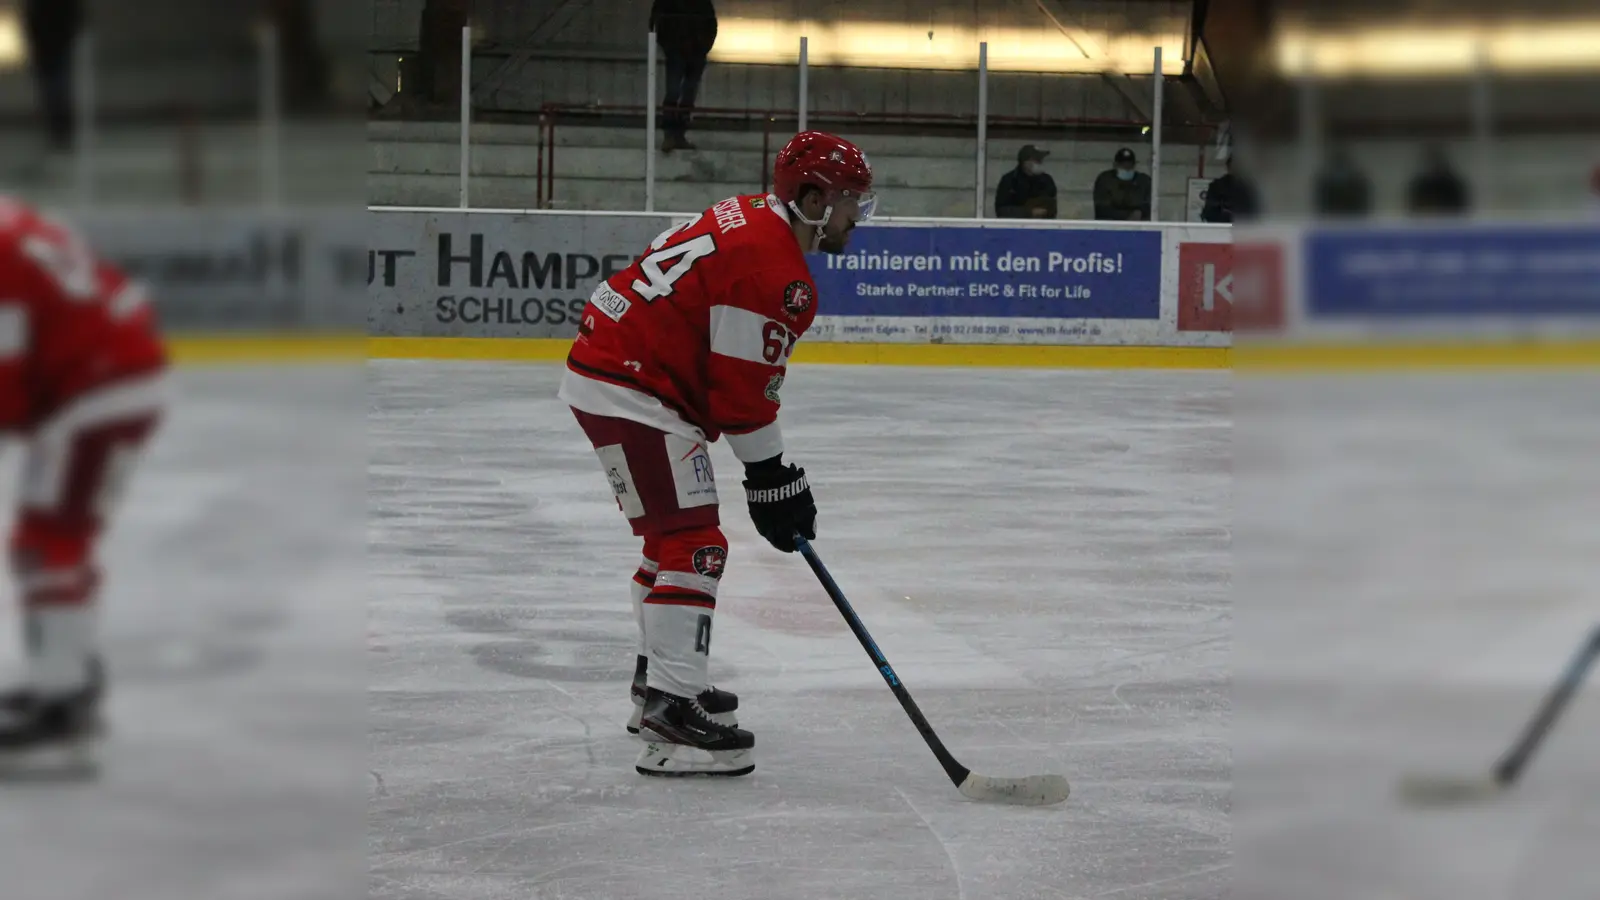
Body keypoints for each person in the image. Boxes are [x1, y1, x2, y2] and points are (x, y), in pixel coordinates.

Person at [559, 131, 875, 777]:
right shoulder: (776, 273)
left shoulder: (750, 215)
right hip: (633, 389)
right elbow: (739, 396)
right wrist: (772, 476)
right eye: (848, 201)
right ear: (812, 198)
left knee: (669, 540)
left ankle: (661, 688)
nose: (856, 217)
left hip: (619, 375)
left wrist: (770, 477)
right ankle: (671, 713)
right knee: (694, 545)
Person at [0, 198, 169, 777]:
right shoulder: (13, 222)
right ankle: (64, 672)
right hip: (108, 381)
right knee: (51, 535)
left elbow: (6, 378)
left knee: (47, 539)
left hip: (94, 394)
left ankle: (61, 699)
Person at [650, 0, 718, 152]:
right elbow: (655, 23)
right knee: (677, 93)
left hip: (690, 53)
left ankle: (675, 135)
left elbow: (655, 23)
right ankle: (673, 135)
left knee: (685, 94)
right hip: (683, 52)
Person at [23, 0, 84, 153]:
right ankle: (60, 132)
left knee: (54, 89)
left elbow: (32, 19)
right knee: (56, 88)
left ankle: (59, 131)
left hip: (50, 44)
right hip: (54, 43)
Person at [994, 145, 1057, 219]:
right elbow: (1001, 211)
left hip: (1041, 228)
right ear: (1025, 162)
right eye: (1036, 160)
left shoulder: (1047, 180)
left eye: (1041, 160)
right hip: (1015, 227)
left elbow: (1052, 209)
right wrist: (1029, 212)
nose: (1040, 163)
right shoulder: (1010, 180)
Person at [1407, 145, 1471, 217]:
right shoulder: (1419, 185)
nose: (1434, 166)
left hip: (1450, 221)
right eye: (1430, 162)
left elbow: (1461, 209)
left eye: (1436, 162)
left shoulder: (1453, 185)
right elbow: (1414, 210)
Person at [1093, 147, 1153, 221]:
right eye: (1123, 166)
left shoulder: (1144, 181)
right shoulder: (1105, 180)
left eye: (1129, 166)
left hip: (1138, 227)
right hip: (1110, 226)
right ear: (1115, 165)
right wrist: (1128, 215)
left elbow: (1150, 206)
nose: (1126, 169)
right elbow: (1101, 209)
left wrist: (1140, 213)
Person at [1314, 146, 1373, 219]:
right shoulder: (1325, 183)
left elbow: (1363, 207)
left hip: (1353, 217)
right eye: (1338, 165)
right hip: (1330, 218)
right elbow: (1321, 206)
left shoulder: (1358, 182)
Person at [1200, 154, 1259, 223]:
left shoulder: (1248, 187)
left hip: (1242, 226)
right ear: (1228, 167)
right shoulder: (1217, 186)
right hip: (1222, 225)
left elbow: (1254, 211)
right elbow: (1210, 209)